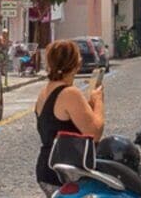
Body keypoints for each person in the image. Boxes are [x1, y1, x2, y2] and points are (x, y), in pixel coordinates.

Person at [31, 39, 104, 188]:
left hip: (47, 167)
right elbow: (95, 132)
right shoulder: (70, 93)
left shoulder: (44, 92)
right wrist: (98, 101)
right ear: (77, 64)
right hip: (67, 171)